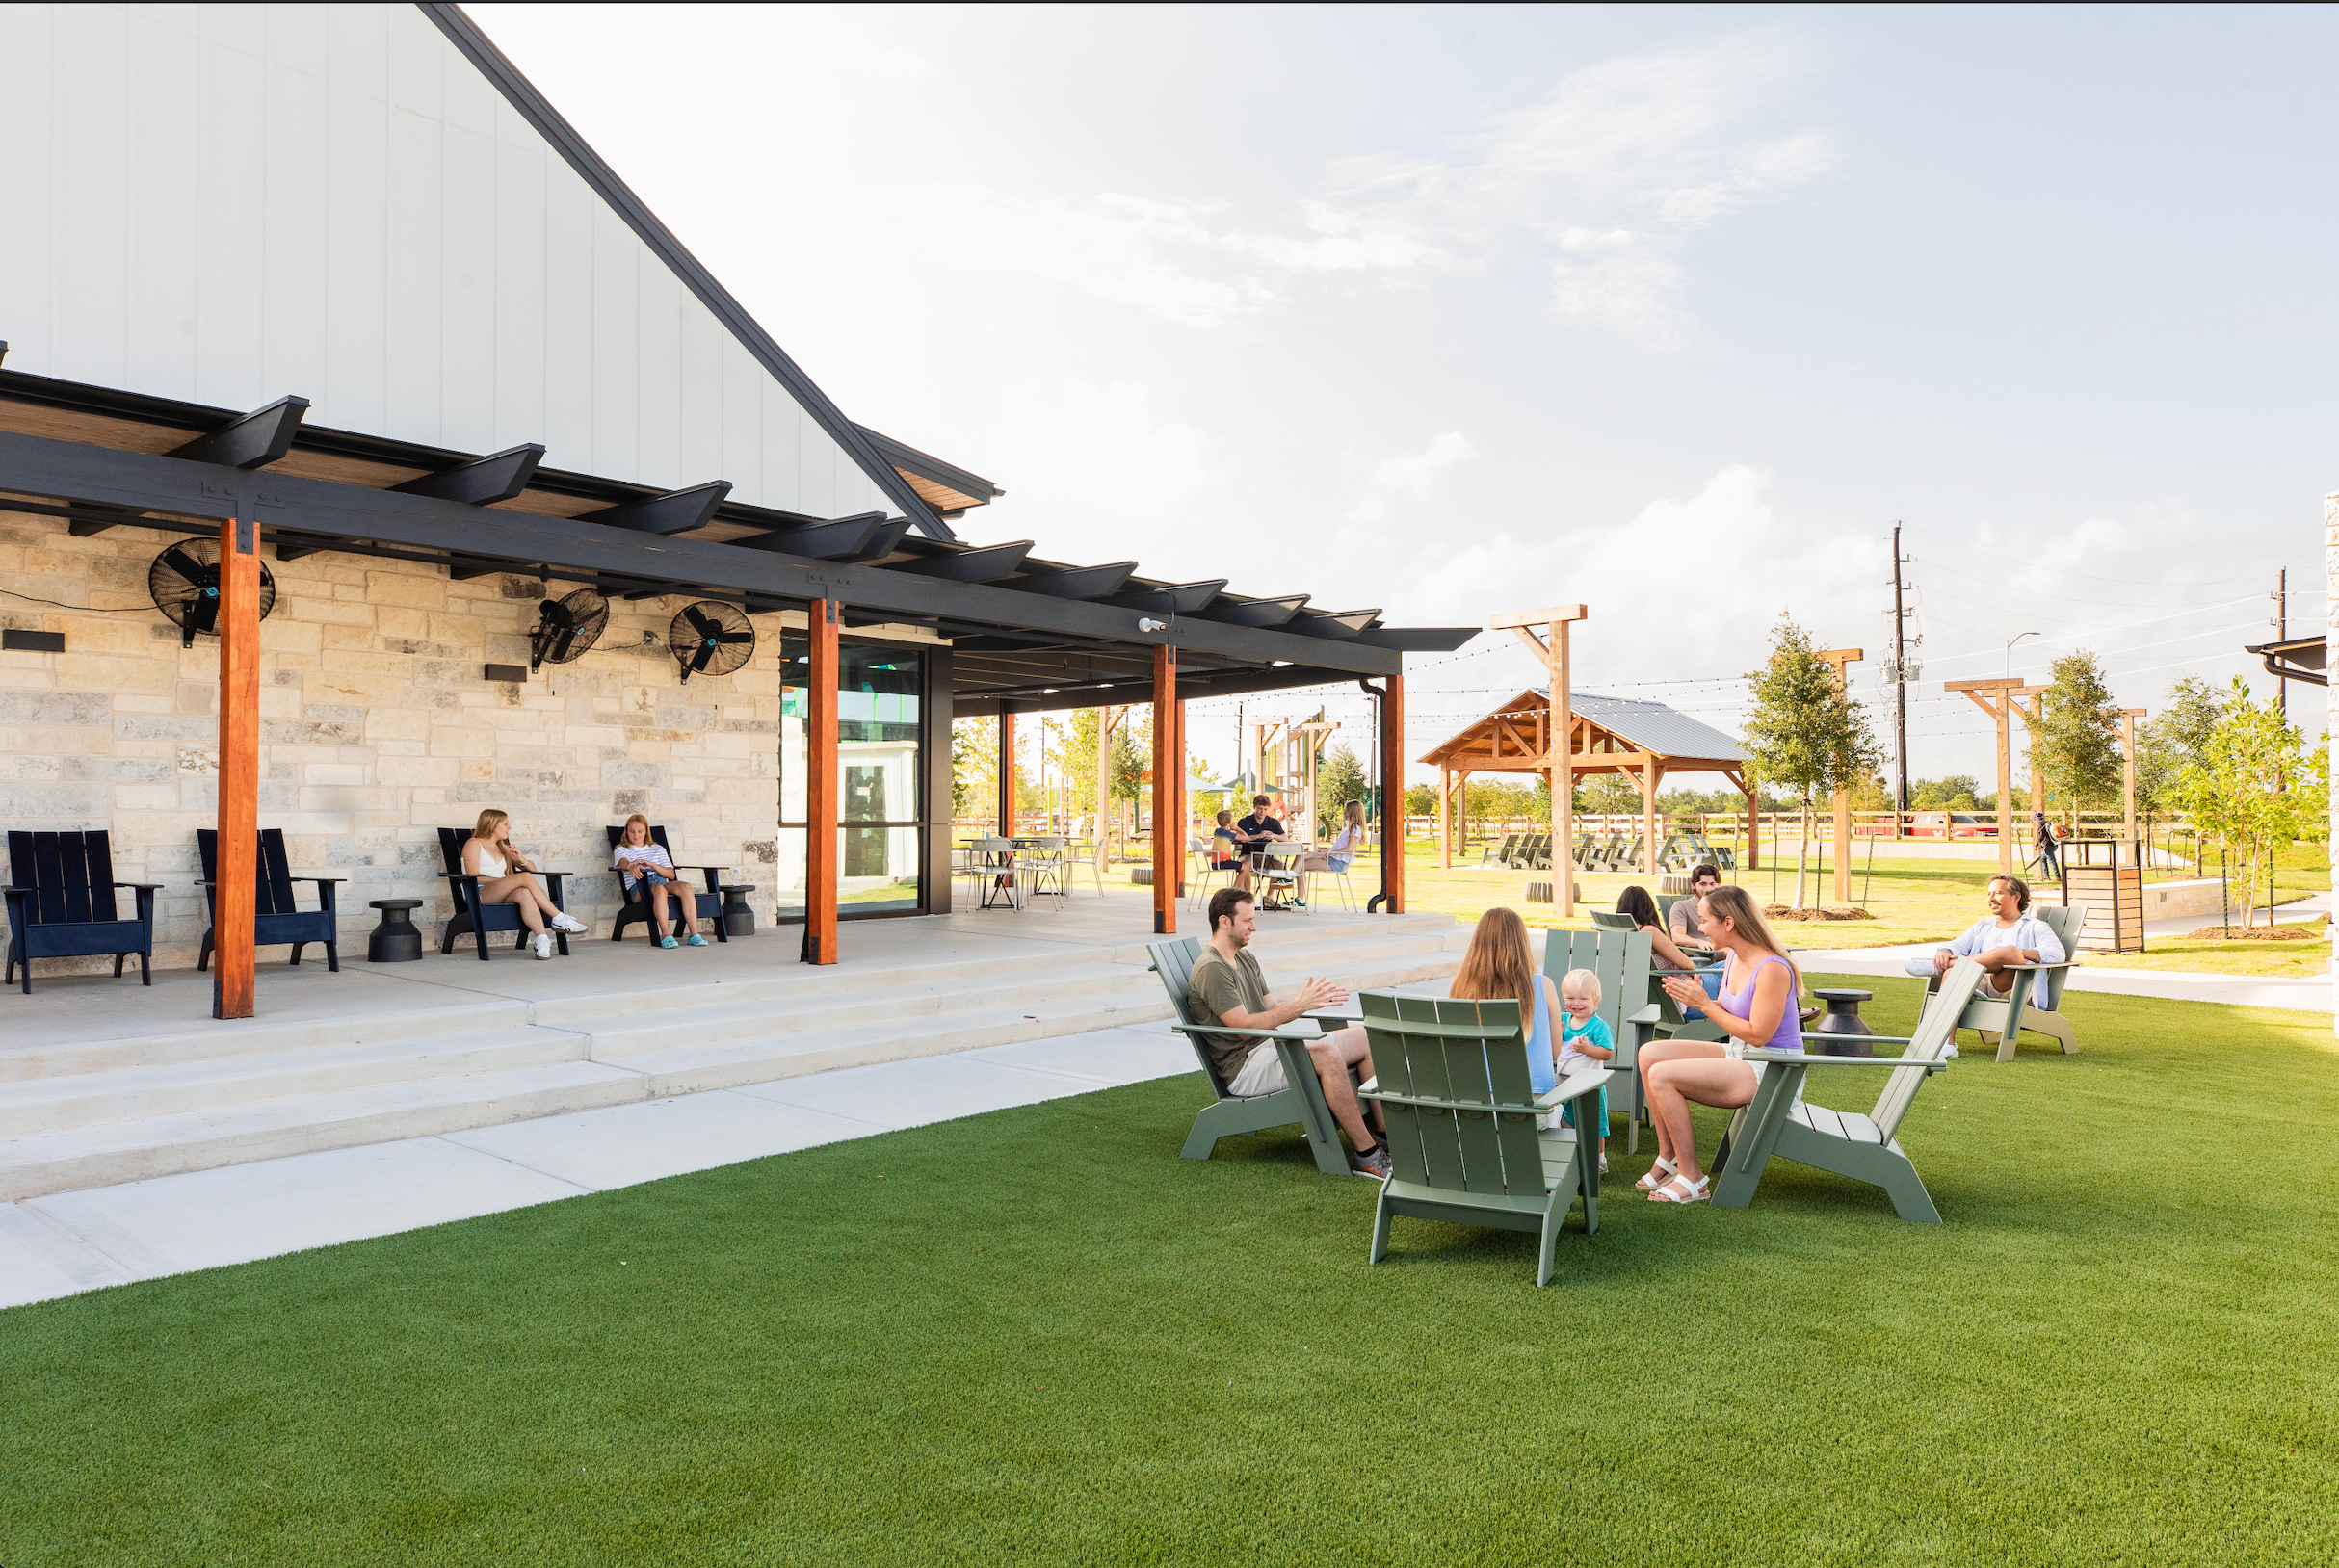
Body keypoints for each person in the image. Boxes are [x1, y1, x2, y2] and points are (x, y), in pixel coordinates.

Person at [1189, 886, 1389, 1178]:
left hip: (1269, 1050)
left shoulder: (1245, 959)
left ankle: (1383, 1140)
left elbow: (1272, 1009)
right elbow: (1245, 1030)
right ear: (1224, 922)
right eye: (1247, 921)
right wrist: (1298, 1005)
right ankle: (1366, 1155)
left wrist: (1307, 1001)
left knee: (1366, 1036)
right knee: (1326, 1054)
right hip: (1244, 1068)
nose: (1254, 927)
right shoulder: (1212, 968)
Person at [1637, 885, 1805, 1204]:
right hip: (1741, 1054)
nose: (1699, 928)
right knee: (1650, 1054)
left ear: (1728, 923)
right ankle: (1669, 1155)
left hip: (1773, 1070)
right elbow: (1734, 1012)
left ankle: (1693, 1178)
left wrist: (1706, 1006)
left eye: (1703, 920)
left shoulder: (1771, 968)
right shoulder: (1733, 957)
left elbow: (1759, 1034)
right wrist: (1699, 998)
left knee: (1662, 1075)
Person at [463, 808, 585, 959]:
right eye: (505, 824)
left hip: (502, 893)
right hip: (479, 893)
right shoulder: (474, 844)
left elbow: (532, 869)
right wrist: (506, 881)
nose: (510, 827)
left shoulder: (502, 847)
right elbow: (474, 876)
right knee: (524, 878)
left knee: (524, 893)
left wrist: (520, 859)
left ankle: (542, 940)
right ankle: (559, 918)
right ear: (493, 825)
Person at [1933, 874, 2064, 999]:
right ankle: (1939, 1021)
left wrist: (2019, 953)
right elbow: (1957, 944)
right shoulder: (1983, 926)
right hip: (1979, 980)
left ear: (2016, 897)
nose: (1991, 899)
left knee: (2011, 951)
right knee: (1951, 973)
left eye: (1998, 893)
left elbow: (2057, 953)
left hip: (2012, 988)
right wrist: (1945, 951)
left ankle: (1954, 964)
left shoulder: (2034, 926)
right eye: (1989, 894)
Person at [613, 813, 707, 949]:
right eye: (632, 831)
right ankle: (666, 935)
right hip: (639, 887)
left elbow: (670, 874)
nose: (636, 835)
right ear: (626, 832)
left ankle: (694, 935)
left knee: (685, 886)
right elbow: (622, 861)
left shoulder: (657, 849)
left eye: (640, 831)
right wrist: (631, 866)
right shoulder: (622, 849)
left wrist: (653, 865)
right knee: (659, 889)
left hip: (661, 881)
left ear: (646, 832)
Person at [1555, 967, 1614, 1174]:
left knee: (1596, 1125)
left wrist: (1587, 1049)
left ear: (1596, 1001)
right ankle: (1570, 1159)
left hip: (1591, 1086)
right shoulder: (1562, 1020)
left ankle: (1599, 1161)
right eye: (1570, 998)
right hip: (1563, 1083)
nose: (1576, 1003)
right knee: (1565, 1119)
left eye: (1583, 999)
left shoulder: (1598, 1026)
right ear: (1563, 998)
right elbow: (1553, 1047)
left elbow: (1607, 1052)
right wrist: (1556, 1033)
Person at [1616, 885, 1705, 973]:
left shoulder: (1619, 934)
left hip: (1650, 985)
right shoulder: (1649, 931)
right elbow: (1688, 966)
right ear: (1648, 907)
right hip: (1680, 984)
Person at [1232, 794, 1300, 908]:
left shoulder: (1273, 822)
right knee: (1245, 864)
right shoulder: (1245, 822)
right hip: (1248, 854)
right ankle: (1248, 896)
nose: (1262, 812)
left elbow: (1285, 838)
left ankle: (1268, 897)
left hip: (1266, 856)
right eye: (1260, 809)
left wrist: (1273, 835)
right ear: (1255, 807)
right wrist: (1258, 836)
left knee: (1280, 864)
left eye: (1265, 809)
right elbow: (1238, 838)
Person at [1300, 800, 1368, 897]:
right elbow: (1338, 847)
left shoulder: (1355, 828)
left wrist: (1330, 853)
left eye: (1346, 810)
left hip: (1337, 862)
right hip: (1333, 858)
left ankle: (1299, 897)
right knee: (1302, 855)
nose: (1344, 813)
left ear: (1352, 812)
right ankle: (1288, 879)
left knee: (1302, 865)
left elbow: (1349, 848)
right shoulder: (1349, 827)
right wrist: (1324, 850)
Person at [1669, 864, 1722, 944]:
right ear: (1693, 885)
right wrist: (1699, 942)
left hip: (1724, 949)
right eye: (1703, 884)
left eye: (1712, 884)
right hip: (1699, 952)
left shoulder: (1725, 907)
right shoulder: (1682, 907)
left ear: (1718, 885)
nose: (1708, 889)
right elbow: (1677, 937)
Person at [2032, 812, 2062, 878]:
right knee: (2043, 858)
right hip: (2053, 844)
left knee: (2052, 861)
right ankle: (2046, 876)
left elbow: (2042, 836)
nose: (2034, 821)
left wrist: (2037, 844)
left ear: (2037, 818)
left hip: (2048, 845)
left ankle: (2057, 877)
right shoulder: (2047, 823)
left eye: (2034, 819)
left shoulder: (2040, 824)